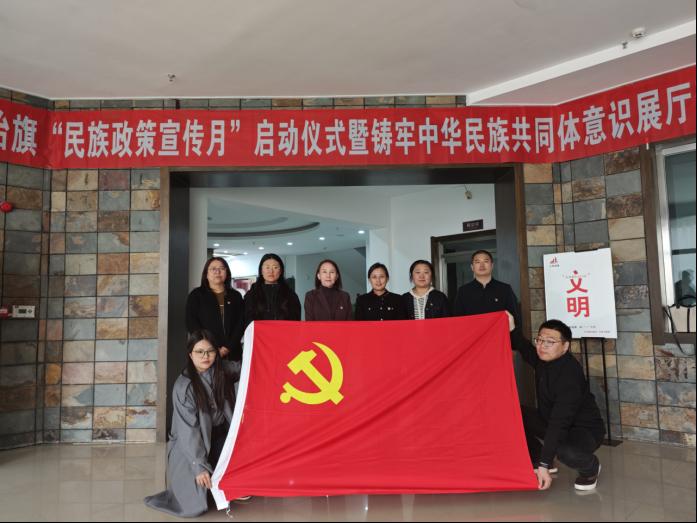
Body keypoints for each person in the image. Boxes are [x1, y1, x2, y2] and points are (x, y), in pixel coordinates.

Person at [144, 330, 242, 517]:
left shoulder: (222, 370)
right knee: (194, 505)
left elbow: (246, 367)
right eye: (199, 352)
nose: (205, 356)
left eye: (210, 351)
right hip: (190, 444)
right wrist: (199, 466)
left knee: (240, 456)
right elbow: (189, 431)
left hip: (220, 436)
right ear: (190, 354)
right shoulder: (184, 387)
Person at [516, 319, 605, 491]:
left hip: (584, 430)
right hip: (551, 420)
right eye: (540, 339)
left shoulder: (569, 376)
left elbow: (559, 422)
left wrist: (544, 464)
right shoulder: (544, 359)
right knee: (514, 414)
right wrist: (512, 327)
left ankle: (591, 468)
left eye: (550, 342)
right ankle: (538, 457)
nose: (542, 346)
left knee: (565, 452)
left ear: (565, 346)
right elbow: (525, 348)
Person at [186, 257, 244, 361]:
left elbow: (241, 324)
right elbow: (191, 323)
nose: (217, 272)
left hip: (232, 352)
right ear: (206, 274)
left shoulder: (235, 296)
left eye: (221, 268)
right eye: (213, 269)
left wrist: (227, 348)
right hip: (205, 352)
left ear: (227, 272)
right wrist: (211, 347)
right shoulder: (196, 295)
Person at [453, 249, 518, 333]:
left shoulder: (505, 289)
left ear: (492, 265)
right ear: (472, 267)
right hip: (473, 337)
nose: (482, 265)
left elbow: (514, 318)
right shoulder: (463, 291)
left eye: (486, 261)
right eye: (477, 262)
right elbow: (457, 320)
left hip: (498, 336)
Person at [243, 253, 301, 326]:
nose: (271, 271)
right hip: (258, 332)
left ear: (281, 271)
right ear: (261, 270)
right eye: (267, 267)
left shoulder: (290, 294)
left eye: (275, 267)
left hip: (284, 332)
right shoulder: (252, 294)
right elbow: (246, 319)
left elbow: (295, 320)